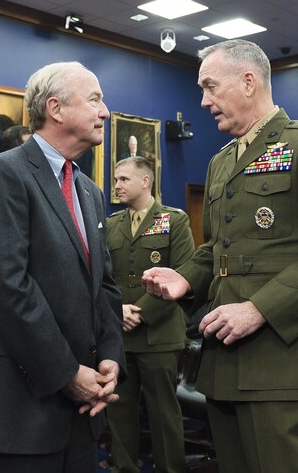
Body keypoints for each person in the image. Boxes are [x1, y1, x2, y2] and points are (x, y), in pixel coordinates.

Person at [142, 39, 298, 473]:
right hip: (223, 364)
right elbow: (215, 248)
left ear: (248, 82)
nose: (203, 101)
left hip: (282, 365)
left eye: (210, 86)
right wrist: (186, 278)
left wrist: (259, 308)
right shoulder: (221, 163)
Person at [0, 61, 124, 472]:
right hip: (15, 411)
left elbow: (105, 285)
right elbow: (6, 287)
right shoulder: (1, 173)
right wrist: (66, 374)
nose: (106, 112)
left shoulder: (89, 191)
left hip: (82, 414)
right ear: (56, 108)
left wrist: (112, 355)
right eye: (95, 100)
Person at [106, 156, 194, 473]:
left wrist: (139, 312)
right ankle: (124, 468)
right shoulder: (111, 223)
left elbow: (183, 274)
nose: (116, 185)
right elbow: (102, 278)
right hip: (119, 333)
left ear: (146, 181)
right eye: (115, 179)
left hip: (159, 334)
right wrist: (116, 310)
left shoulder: (174, 220)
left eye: (124, 179)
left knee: (163, 413)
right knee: (119, 411)